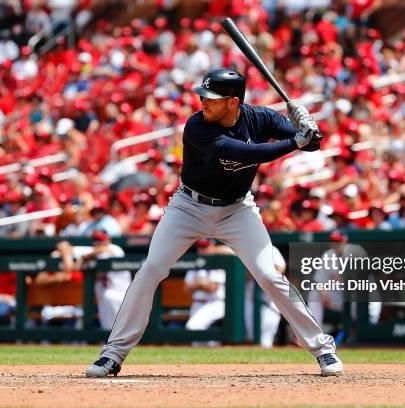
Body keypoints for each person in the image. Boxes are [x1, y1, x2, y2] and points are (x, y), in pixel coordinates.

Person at [86, 67, 341, 377]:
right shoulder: (197, 127)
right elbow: (247, 153)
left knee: (269, 274)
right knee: (151, 269)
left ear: (233, 102)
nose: (203, 102)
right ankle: (113, 354)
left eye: (211, 98)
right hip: (188, 207)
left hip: (237, 210)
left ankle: (322, 348)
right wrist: (296, 141)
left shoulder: (262, 118)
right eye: (203, 95)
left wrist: (308, 127)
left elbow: (311, 143)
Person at [183, 239, 228, 346]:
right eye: (200, 247)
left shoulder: (218, 262)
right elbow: (186, 288)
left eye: (205, 247)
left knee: (192, 327)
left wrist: (197, 284)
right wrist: (201, 284)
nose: (202, 250)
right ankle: (202, 362)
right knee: (199, 342)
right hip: (197, 304)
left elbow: (212, 287)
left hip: (214, 303)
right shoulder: (195, 264)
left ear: (212, 247)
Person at [244, 245, 285, 348]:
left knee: (266, 338)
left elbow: (280, 268)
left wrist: (260, 269)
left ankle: (265, 362)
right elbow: (243, 273)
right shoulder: (244, 248)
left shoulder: (270, 249)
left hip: (269, 301)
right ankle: (254, 363)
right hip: (251, 301)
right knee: (251, 337)